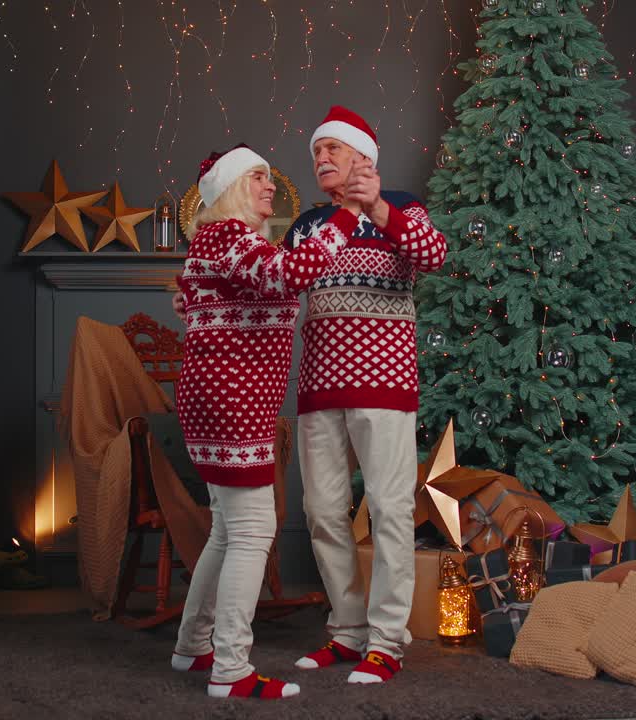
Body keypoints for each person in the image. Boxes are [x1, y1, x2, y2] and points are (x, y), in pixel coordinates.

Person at [174, 106, 448, 685]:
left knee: (391, 513)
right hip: (318, 388)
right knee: (323, 513)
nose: (319, 159)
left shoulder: (401, 208)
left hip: (386, 385)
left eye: (331, 149)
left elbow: (432, 256)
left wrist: (376, 207)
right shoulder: (306, 225)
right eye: (316, 151)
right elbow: (269, 278)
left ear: (363, 158)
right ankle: (347, 633)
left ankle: (387, 643)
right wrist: (198, 297)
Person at [169, 143, 360, 700]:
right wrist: (345, 212)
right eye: (257, 177)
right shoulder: (230, 237)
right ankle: (231, 670)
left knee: (227, 530)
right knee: (253, 530)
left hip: (216, 398)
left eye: (269, 177)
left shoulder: (218, 243)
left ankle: (192, 647)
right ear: (230, 189)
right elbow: (287, 275)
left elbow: (204, 293)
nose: (269, 186)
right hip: (233, 402)